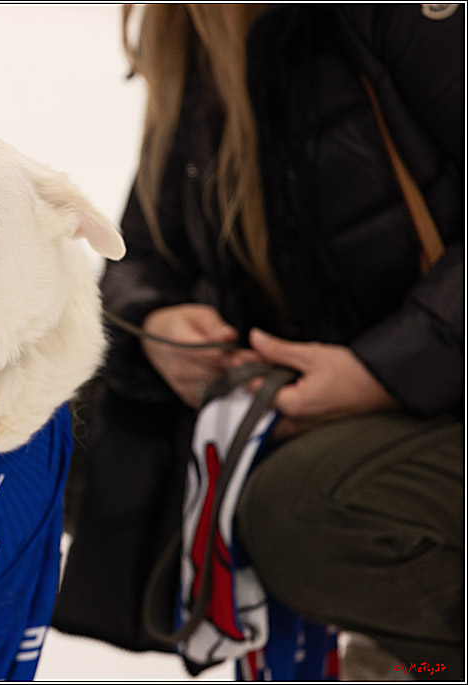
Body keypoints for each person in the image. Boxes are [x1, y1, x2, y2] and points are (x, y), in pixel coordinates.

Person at [53, 4, 463, 681]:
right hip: (341, 390)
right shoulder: (195, 22)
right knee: (58, 429)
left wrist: (382, 371)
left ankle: (429, 656)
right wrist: (159, 324)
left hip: (435, 392)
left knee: (303, 509)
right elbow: (143, 249)